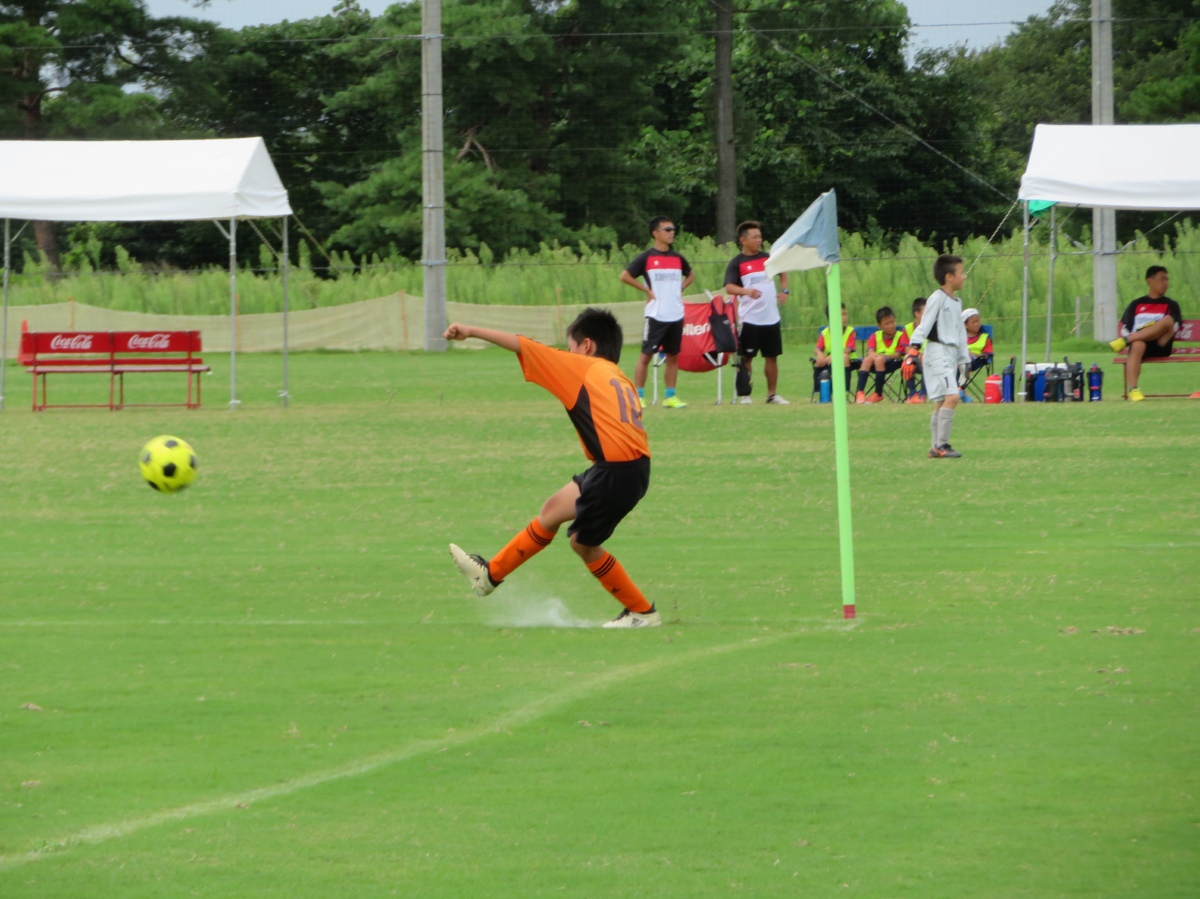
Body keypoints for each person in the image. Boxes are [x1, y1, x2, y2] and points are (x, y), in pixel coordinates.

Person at [444, 308, 660, 629]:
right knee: (552, 510)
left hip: (617, 471)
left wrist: (471, 330)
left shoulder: (580, 366)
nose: (566, 353)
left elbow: (522, 344)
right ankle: (489, 576)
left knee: (583, 545)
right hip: (625, 467)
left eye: (570, 346)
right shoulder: (617, 375)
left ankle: (642, 612)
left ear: (586, 346)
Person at [620, 216, 695, 408]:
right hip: (655, 315)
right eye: (667, 230)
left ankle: (670, 397)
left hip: (675, 314)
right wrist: (646, 290)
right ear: (656, 233)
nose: (672, 233)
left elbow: (691, 274)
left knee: (672, 356)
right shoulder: (646, 257)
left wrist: (681, 287)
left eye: (673, 229)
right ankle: (638, 396)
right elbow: (625, 276)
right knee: (646, 356)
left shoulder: (677, 258)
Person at [904, 254, 970, 458]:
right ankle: (941, 445)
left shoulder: (957, 302)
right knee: (953, 396)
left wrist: (964, 360)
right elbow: (925, 325)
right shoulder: (937, 298)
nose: (964, 276)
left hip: (950, 354)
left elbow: (960, 334)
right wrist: (914, 349)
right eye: (961, 272)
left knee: (941, 400)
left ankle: (934, 447)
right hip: (938, 352)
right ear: (949, 277)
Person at [722, 220, 790, 404]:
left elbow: (783, 272)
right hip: (750, 319)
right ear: (743, 240)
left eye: (760, 236)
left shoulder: (768, 258)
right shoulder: (737, 263)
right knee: (747, 358)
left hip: (771, 318)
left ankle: (772, 395)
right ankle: (746, 395)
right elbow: (729, 287)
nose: (759, 240)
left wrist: (784, 290)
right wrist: (746, 291)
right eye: (754, 237)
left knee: (772, 357)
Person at [1109, 265, 1183, 402]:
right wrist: (1144, 333)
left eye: (1167, 279)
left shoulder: (1171, 304)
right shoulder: (1136, 304)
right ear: (1150, 281)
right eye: (1162, 279)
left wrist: (1150, 329)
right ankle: (1134, 390)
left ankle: (1127, 341)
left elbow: (1175, 326)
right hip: (1141, 345)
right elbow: (1125, 328)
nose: (1166, 283)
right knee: (1138, 344)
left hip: (1161, 343)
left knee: (1168, 320)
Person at [855, 305, 908, 404]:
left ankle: (878, 393)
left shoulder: (900, 336)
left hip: (893, 362)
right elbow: (870, 351)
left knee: (879, 359)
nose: (891, 325)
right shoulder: (875, 336)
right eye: (887, 323)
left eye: (892, 322)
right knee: (867, 359)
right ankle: (860, 392)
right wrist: (873, 355)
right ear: (880, 326)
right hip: (876, 361)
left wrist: (882, 356)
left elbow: (898, 354)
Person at [813, 303, 858, 397]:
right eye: (841, 315)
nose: (844, 317)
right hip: (830, 360)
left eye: (845, 314)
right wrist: (820, 354)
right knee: (818, 361)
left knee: (844, 357)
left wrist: (834, 356)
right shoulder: (825, 333)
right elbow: (817, 349)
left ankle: (845, 392)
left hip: (849, 360)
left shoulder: (850, 331)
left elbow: (848, 350)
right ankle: (818, 392)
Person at [958, 307, 993, 402]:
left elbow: (987, 355)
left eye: (977, 321)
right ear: (965, 325)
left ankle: (961, 388)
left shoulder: (985, 337)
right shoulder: (959, 337)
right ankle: (961, 390)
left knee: (965, 359)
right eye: (973, 322)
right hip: (958, 361)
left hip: (976, 361)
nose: (976, 324)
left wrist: (971, 353)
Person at [903, 297, 927, 403]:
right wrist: (917, 354)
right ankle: (912, 394)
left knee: (925, 358)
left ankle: (922, 394)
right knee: (907, 359)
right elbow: (907, 349)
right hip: (916, 358)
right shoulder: (908, 328)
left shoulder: (934, 326)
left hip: (932, 360)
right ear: (917, 313)